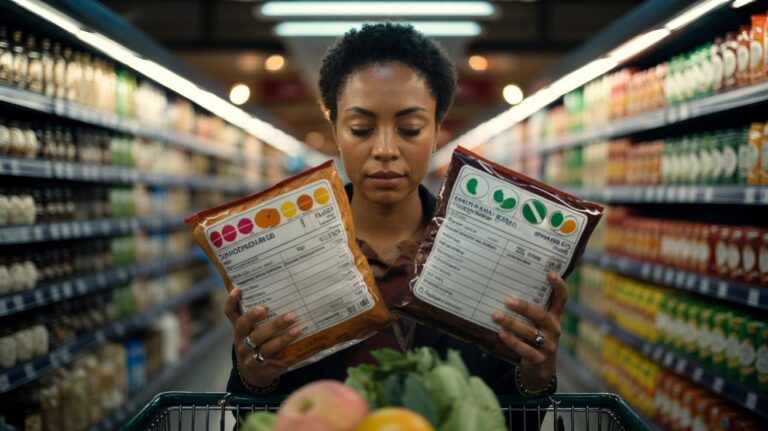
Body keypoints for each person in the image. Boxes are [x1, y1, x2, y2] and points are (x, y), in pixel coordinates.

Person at [225, 22, 567, 400]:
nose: (385, 149)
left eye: (409, 128)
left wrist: (536, 376)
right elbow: (259, 415)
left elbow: (506, 411)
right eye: (360, 129)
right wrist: (254, 379)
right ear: (335, 129)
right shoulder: (281, 253)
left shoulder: (490, 252)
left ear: (437, 130)